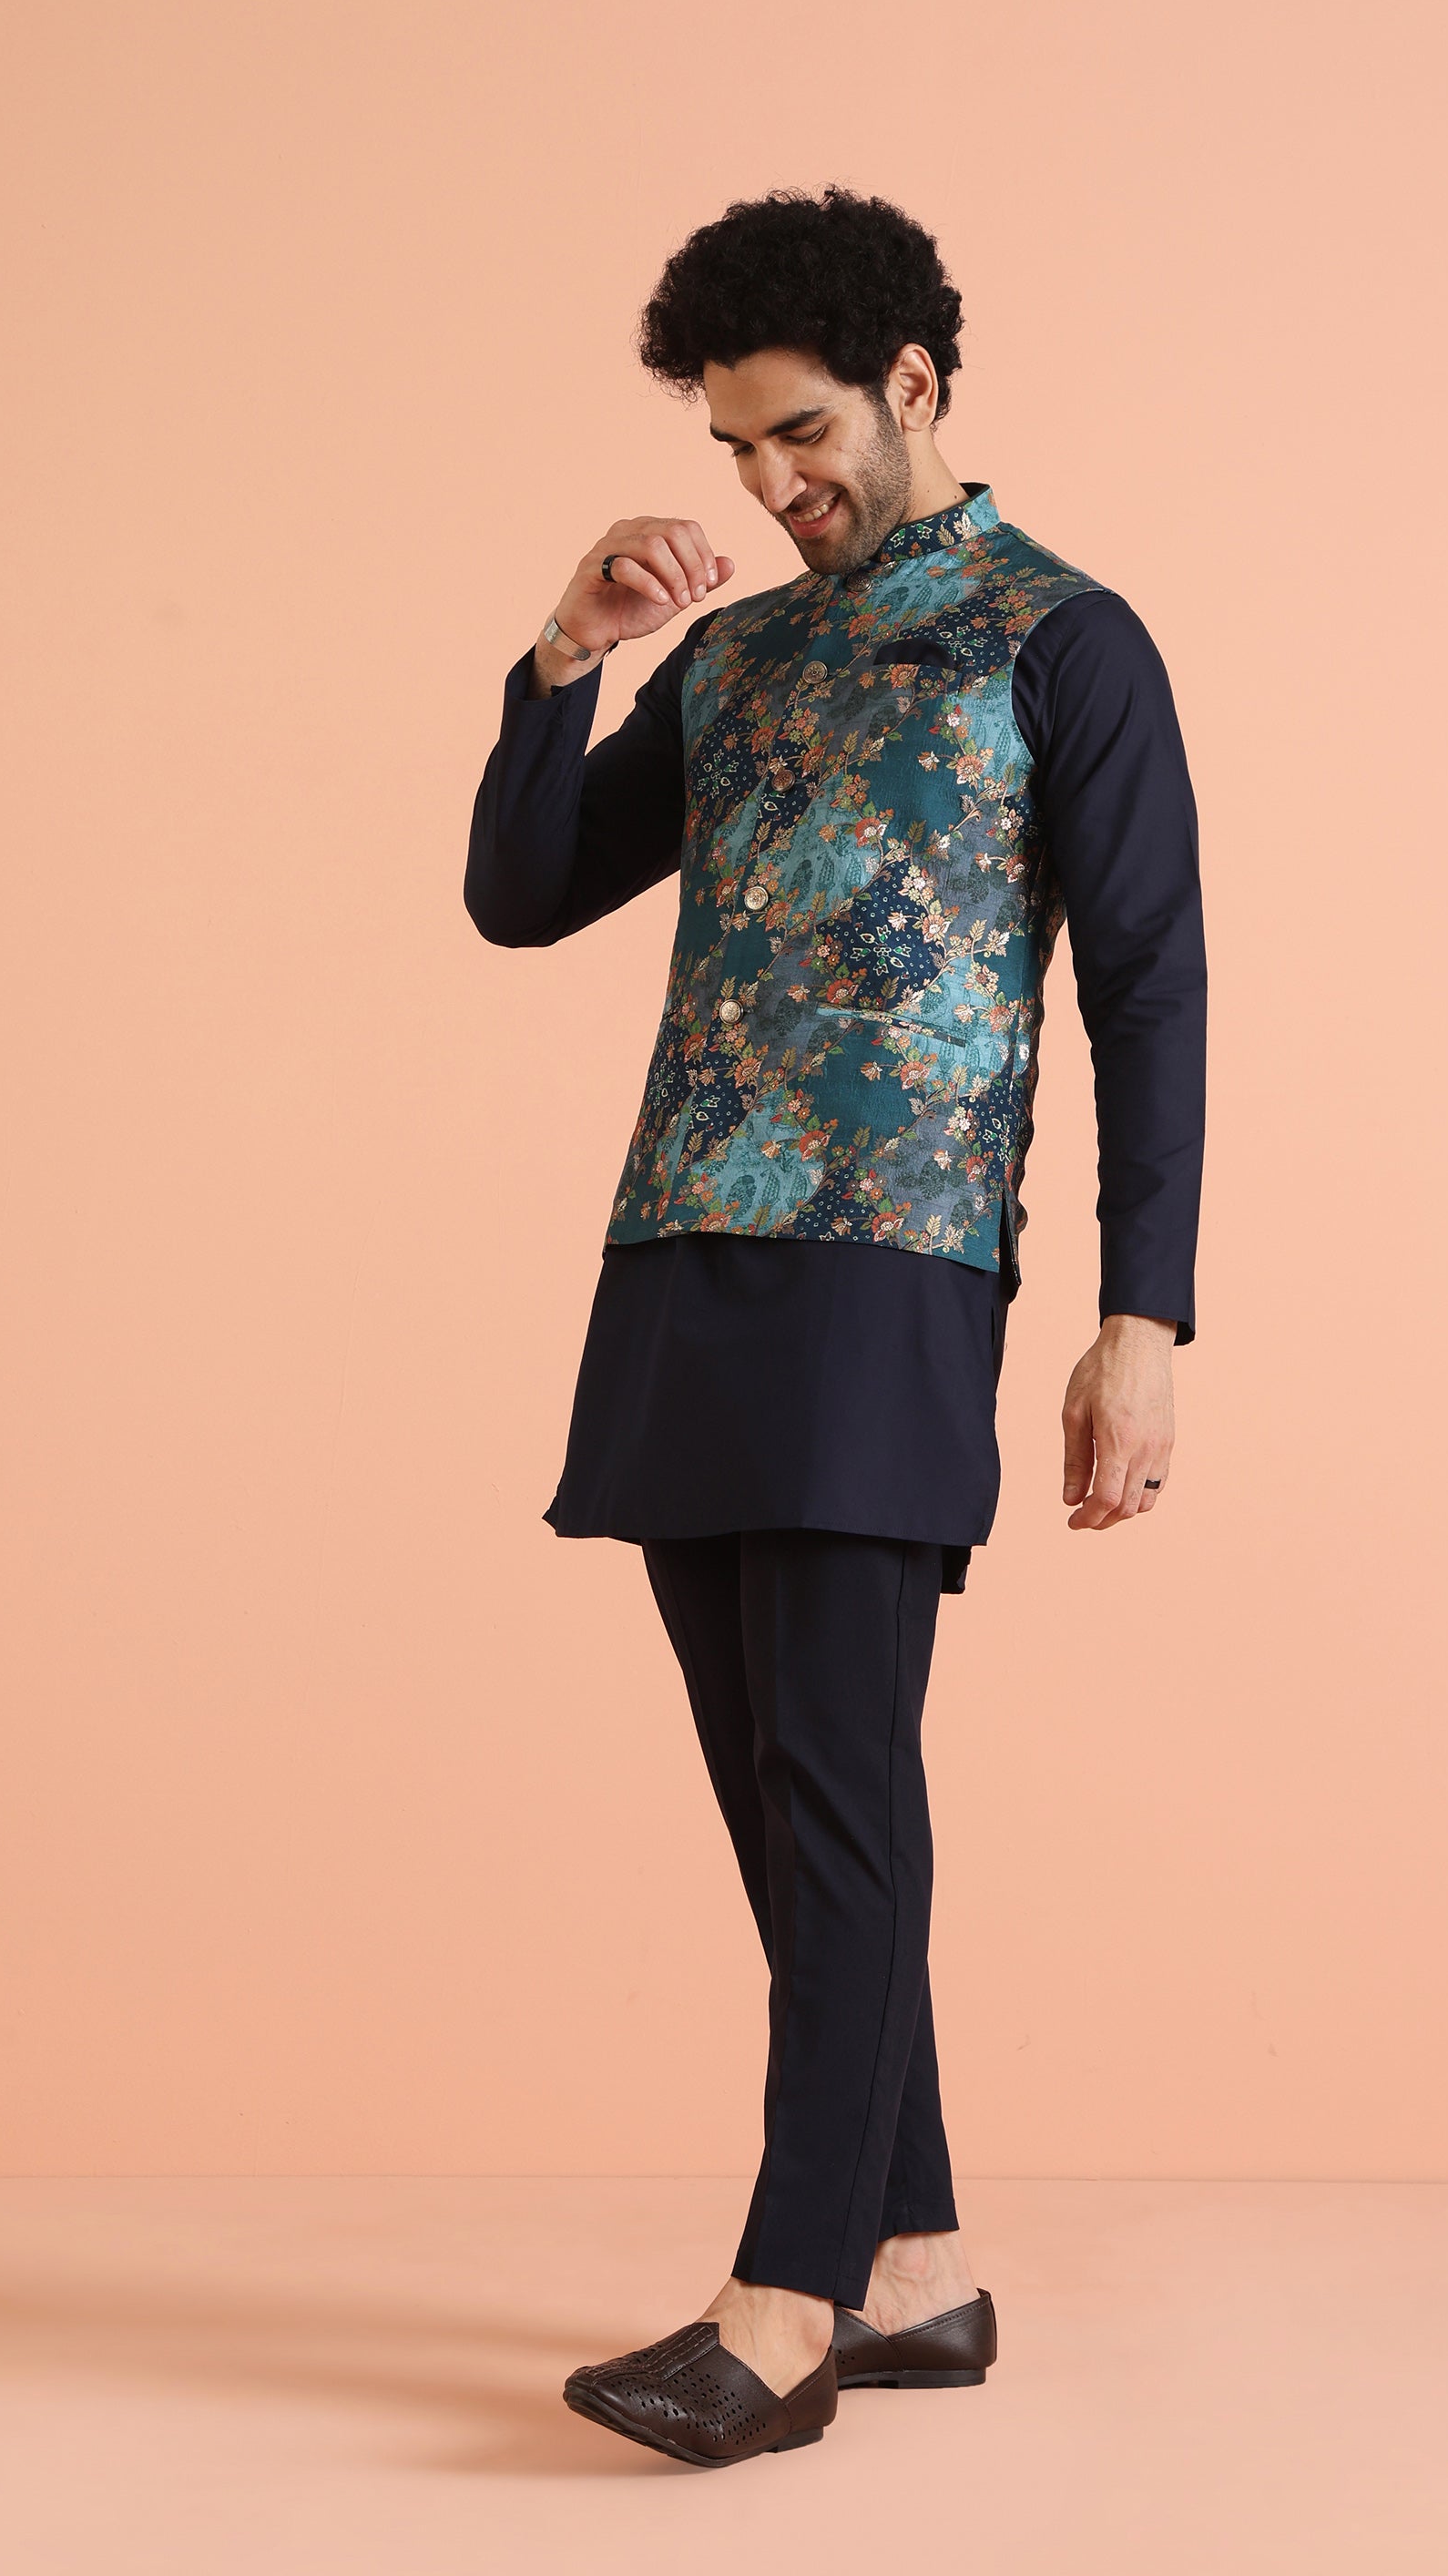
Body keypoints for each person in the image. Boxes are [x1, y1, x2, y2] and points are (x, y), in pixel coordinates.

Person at [464, 186, 1207, 2468]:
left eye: (798, 434)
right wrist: (567, 655)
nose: (770, 483)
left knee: (845, 1775)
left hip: (893, 1268)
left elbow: (1150, 988)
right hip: (683, 1249)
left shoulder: (1063, 640)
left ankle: (783, 2308)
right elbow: (522, 895)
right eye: (733, 451)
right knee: (776, 1790)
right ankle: (914, 2261)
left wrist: (1144, 1316)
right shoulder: (737, 662)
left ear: (911, 381)